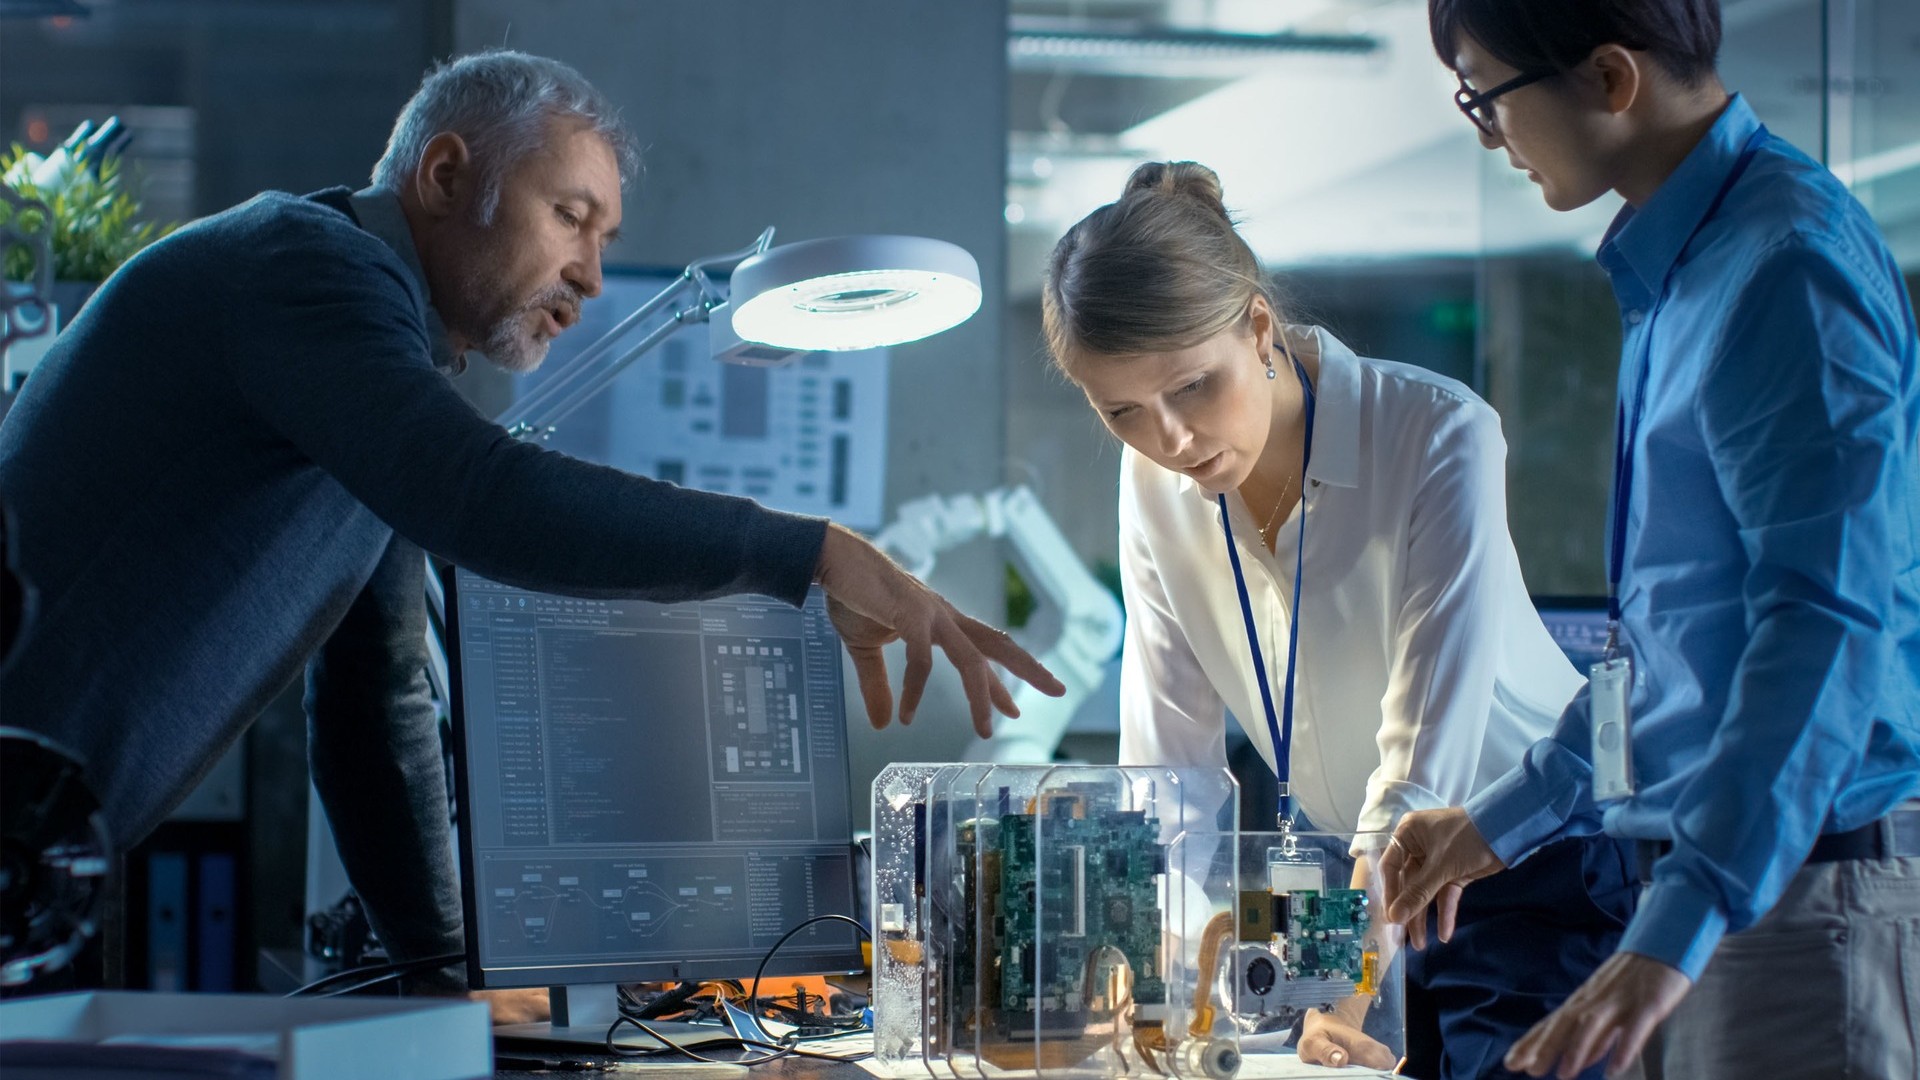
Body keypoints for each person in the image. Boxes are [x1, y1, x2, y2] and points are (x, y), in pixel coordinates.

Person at [0, 50, 1062, 1015]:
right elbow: (481, 496)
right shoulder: (303, 270)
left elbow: (376, 698)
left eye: (605, 240)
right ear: (448, 176)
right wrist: (812, 551)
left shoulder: (364, 368)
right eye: (570, 216)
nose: (593, 279)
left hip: (40, 848)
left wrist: (440, 972)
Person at [1377, 2, 1920, 1077]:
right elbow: (1664, 660)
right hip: (1717, 892)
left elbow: (1825, 626)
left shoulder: (1784, 269)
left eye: (1488, 98)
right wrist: (1500, 823)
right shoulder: (1682, 268)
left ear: (1613, 79)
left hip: (1790, 895)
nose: (1489, 136)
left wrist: (1682, 924)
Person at [1041, 160, 1634, 1080]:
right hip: (1355, 889)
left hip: (1536, 864)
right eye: (1122, 410)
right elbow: (1166, 767)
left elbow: (1416, 781)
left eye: (1194, 387)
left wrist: (1337, 1001)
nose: (1170, 440)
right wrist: (1163, 987)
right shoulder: (1154, 477)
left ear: (1258, 327)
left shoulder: (1436, 433)